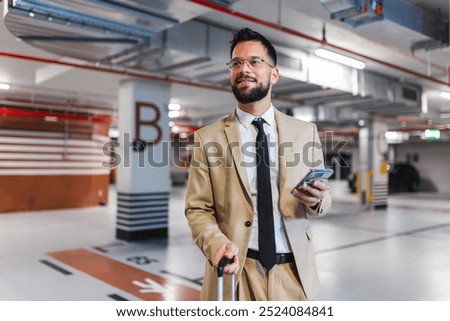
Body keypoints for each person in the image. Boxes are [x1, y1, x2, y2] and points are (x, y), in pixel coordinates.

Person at [185, 27, 332, 301]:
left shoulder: (305, 132)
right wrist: (217, 243)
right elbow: (197, 209)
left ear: (274, 74)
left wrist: (317, 200)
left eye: (255, 61)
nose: (244, 69)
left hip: (294, 273)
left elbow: (323, 198)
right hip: (238, 273)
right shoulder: (208, 139)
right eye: (236, 63)